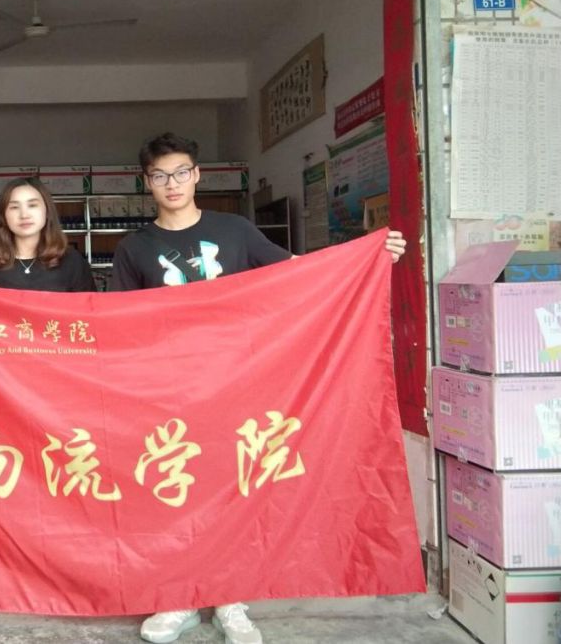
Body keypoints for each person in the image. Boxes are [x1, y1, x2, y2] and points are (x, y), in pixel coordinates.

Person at [112, 133, 406, 644]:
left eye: (180, 172)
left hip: (237, 381)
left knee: (233, 490)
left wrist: (367, 257)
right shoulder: (134, 248)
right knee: (176, 491)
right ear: (147, 183)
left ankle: (231, 598)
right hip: (169, 389)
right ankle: (178, 596)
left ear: (197, 175)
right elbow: (118, 323)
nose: (172, 183)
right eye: (160, 176)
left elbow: (299, 274)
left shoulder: (235, 231)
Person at [0, 177, 95, 292]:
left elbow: (88, 307)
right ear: (3, 216)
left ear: (47, 211)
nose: (24, 215)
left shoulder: (72, 261)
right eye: (14, 207)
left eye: (32, 205)